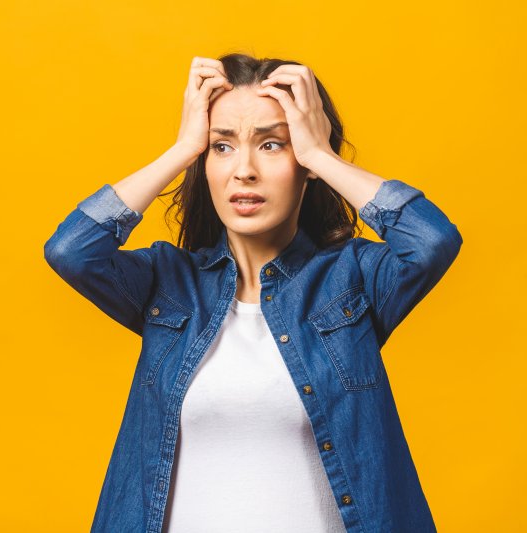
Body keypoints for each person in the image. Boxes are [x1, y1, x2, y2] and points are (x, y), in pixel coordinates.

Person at [44, 53, 462, 533]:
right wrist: (183, 149)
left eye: (272, 145)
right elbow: (72, 251)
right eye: (222, 147)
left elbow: (432, 242)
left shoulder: (352, 280)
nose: (243, 170)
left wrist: (320, 155)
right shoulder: (169, 282)